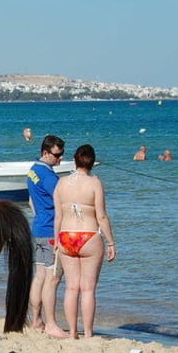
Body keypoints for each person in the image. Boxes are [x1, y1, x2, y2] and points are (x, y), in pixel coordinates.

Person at [53, 144, 116, 340]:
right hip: (88, 235)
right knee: (88, 288)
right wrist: (111, 242)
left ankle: (72, 332)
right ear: (92, 163)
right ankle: (88, 333)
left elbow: (58, 216)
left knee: (71, 287)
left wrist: (56, 240)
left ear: (75, 160)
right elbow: (102, 216)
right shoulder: (95, 183)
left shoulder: (62, 183)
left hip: (65, 236)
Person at [26, 134, 68, 338]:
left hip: (38, 228)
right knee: (52, 278)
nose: (60, 159)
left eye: (62, 155)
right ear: (45, 153)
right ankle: (51, 323)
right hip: (50, 230)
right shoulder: (50, 177)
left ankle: (36, 320)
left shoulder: (33, 171)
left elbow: (31, 202)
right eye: (57, 155)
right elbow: (63, 201)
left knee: (40, 277)